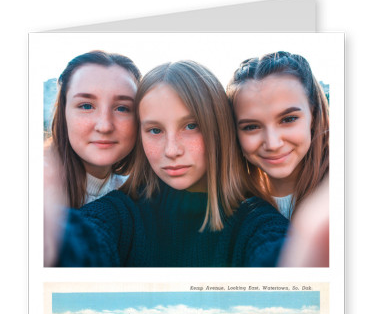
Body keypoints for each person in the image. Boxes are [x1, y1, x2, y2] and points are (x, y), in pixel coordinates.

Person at [47, 60, 289, 267]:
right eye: (155, 130)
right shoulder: (122, 212)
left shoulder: (257, 222)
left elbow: (280, 254)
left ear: (219, 128)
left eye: (191, 126)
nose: (171, 150)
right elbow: (84, 238)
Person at [227, 51, 329, 220]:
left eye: (288, 119)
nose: (273, 143)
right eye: (251, 126)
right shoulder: (232, 208)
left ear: (314, 115)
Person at [47, 50, 141, 208]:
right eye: (86, 106)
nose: (104, 126)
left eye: (122, 108)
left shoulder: (141, 197)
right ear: (64, 113)